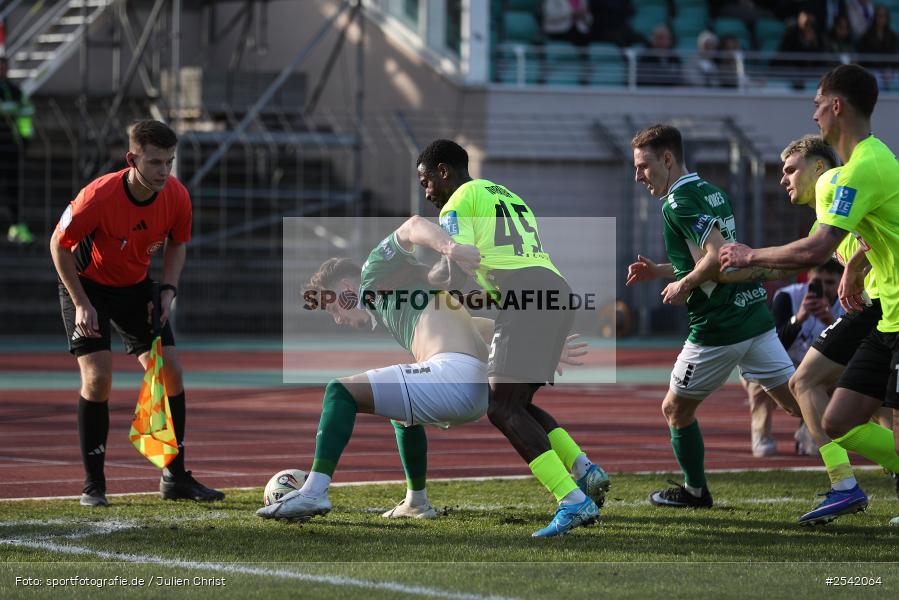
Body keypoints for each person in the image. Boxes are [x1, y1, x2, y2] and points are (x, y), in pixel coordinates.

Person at [256, 220, 591, 522]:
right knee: (401, 411)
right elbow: (476, 326)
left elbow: (413, 225)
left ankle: (313, 492)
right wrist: (541, 343)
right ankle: (416, 501)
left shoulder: (373, 273)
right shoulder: (404, 297)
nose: (337, 318)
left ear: (346, 285)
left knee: (339, 391)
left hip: (454, 377)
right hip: (473, 386)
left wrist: (450, 247)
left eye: (332, 308)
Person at [719, 65, 899, 525]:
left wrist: (748, 255)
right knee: (832, 413)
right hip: (885, 311)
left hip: (888, 306)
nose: (814, 114)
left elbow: (816, 249)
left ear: (836, 106)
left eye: (818, 105)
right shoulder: (858, 171)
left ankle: (844, 484)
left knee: (871, 409)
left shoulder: (848, 175)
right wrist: (858, 263)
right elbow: (860, 240)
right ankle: (845, 486)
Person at [414, 139, 609, 537]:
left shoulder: (457, 203)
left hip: (529, 297)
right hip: (554, 290)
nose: (427, 192)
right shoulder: (503, 194)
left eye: (426, 181)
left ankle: (573, 501)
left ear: (443, 171)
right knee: (516, 401)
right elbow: (498, 276)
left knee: (502, 408)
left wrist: (422, 277)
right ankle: (584, 470)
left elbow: (454, 273)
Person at [49, 119, 224, 507]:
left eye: (170, 162)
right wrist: (81, 303)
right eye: (156, 162)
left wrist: (168, 290)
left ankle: (175, 476)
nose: (164, 171)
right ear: (132, 159)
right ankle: (94, 484)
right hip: (86, 285)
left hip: (135, 288)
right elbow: (57, 246)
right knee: (98, 379)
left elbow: (178, 244)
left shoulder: (177, 196)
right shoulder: (98, 196)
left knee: (170, 370)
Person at [626, 124, 800, 509]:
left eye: (643, 166)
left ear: (668, 159)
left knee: (675, 409)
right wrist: (660, 270)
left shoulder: (677, 202)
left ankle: (695, 491)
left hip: (719, 328)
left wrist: (683, 284)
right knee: (802, 406)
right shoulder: (712, 190)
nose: (638, 176)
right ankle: (874, 439)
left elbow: (716, 255)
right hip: (754, 316)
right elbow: (709, 257)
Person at [0, 55, 35, 244]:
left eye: (5, 67)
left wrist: (25, 139)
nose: (3, 70)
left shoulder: (14, 90)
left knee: (13, 187)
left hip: (10, 146)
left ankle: (17, 227)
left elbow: (27, 112)